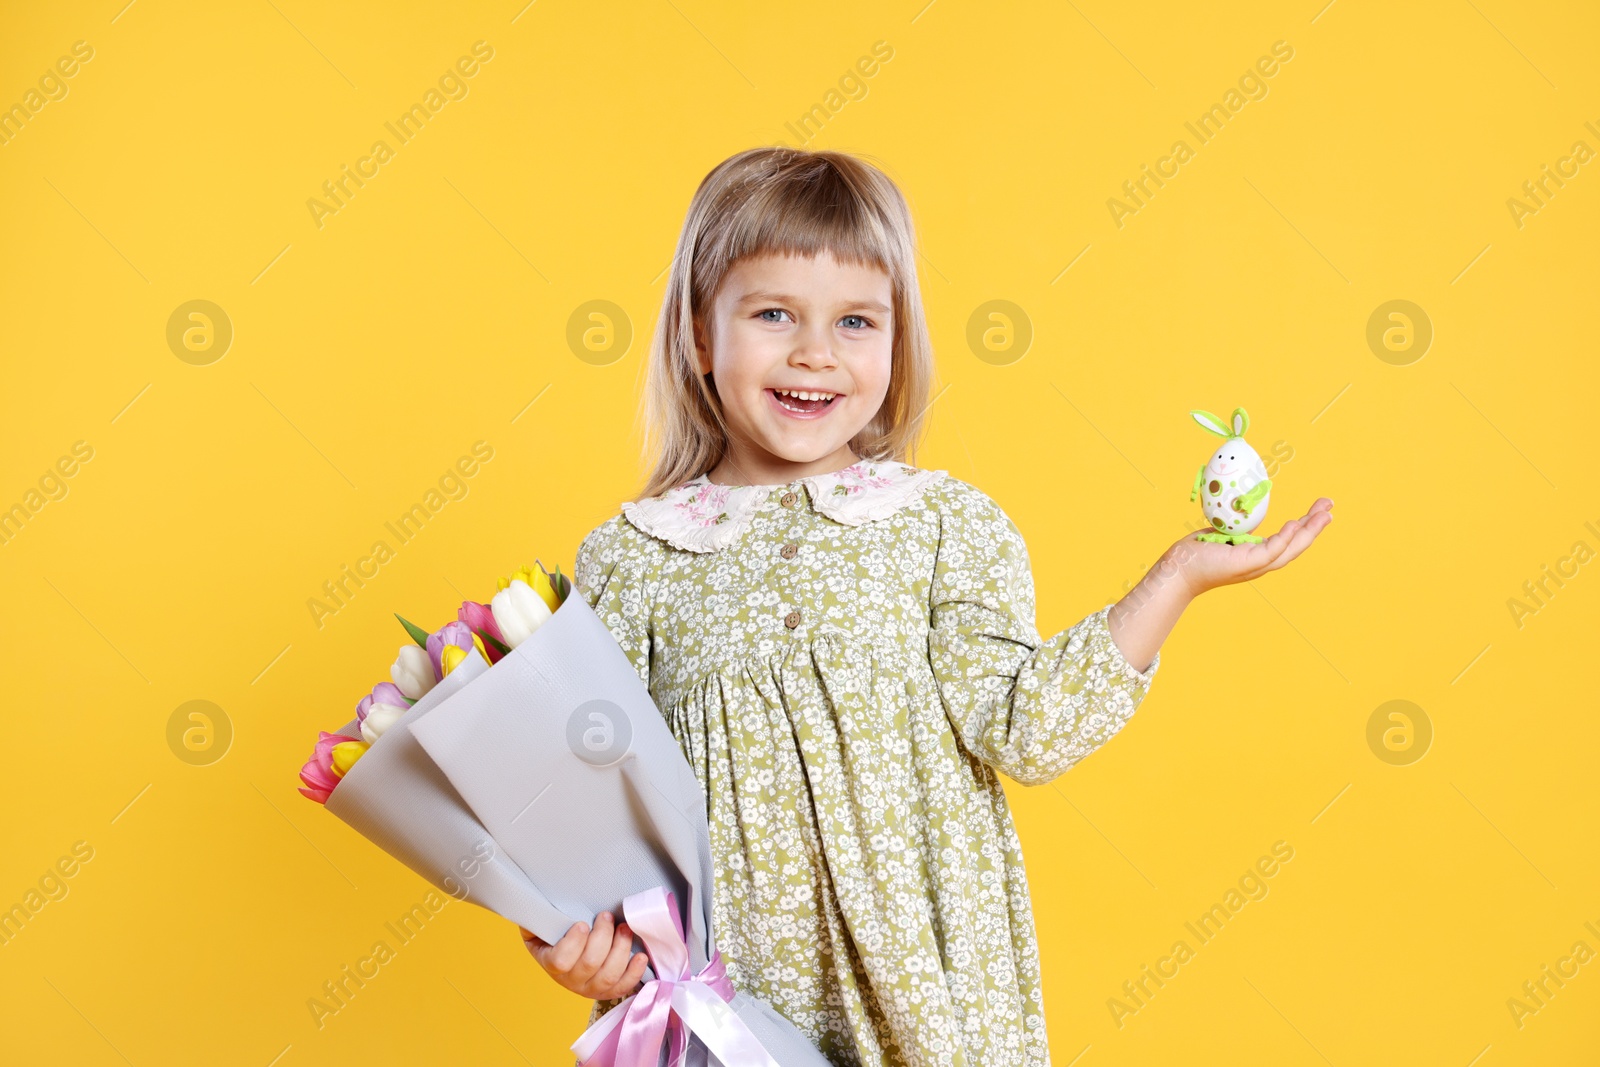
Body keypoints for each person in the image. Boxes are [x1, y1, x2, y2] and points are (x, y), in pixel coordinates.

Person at [520, 146, 1334, 1065]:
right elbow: (599, 816)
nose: (815, 352)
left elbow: (1026, 726)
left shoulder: (944, 525)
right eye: (774, 313)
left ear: (899, 341)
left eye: (857, 320)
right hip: (728, 1010)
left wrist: (1175, 578)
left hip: (929, 1005)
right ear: (701, 336)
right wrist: (581, 945)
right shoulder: (634, 557)